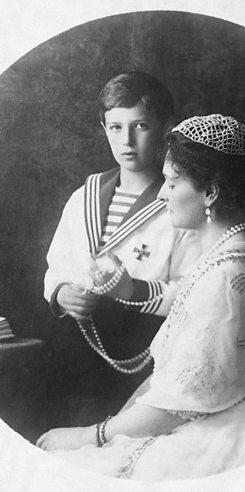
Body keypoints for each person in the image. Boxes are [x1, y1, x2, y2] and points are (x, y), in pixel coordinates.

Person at [37, 114, 245, 481]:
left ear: (210, 193)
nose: (161, 193)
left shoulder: (229, 277)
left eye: (172, 182)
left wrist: (90, 436)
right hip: (236, 407)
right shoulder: (235, 247)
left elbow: (175, 407)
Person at [43, 72, 201, 425]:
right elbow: (59, 263)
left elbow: (198, 290)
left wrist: (135, 289)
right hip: (81, 346)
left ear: (164, 128)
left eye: (141, 126)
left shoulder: (181, 202)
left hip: (145, 349)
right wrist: (62, 291)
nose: (127, 141)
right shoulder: (85, 196)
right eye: (115, 127)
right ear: (104, 128)